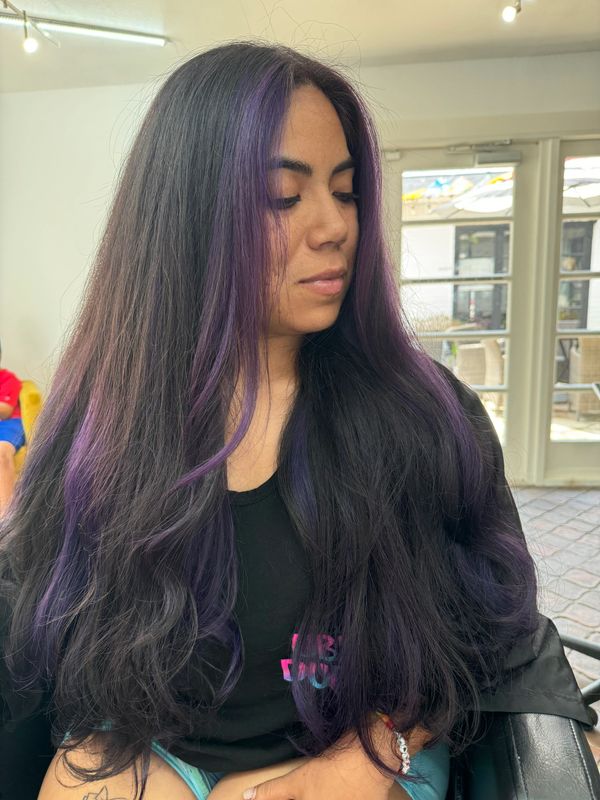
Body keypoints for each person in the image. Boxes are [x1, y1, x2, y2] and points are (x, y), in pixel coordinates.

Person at [0, 42, 592, 800]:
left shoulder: (422, 414)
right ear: (187, 217)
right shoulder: (102, 423)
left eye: (345, 192)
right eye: (285, 197)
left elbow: (485, 630)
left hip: (364, 748)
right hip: (165, 746)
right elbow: (53, 625)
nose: (334, 225)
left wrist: (367, 756)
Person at [0, 341, 25, 516]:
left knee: (1, 453)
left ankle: (6, 518)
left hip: (9, 423)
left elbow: (6, 410)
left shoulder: (8, 378)